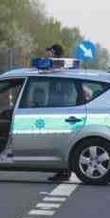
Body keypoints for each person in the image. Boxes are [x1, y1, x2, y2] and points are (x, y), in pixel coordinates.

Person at [45, 43, 72, 183]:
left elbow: (60, 91)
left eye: (50, 52)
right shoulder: (61, 66)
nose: (49, 54)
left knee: (59, 140)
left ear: (55, 52)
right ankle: (62, 171)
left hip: (59, 109)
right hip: (59, 109)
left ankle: (63, 171)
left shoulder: (58, 67)